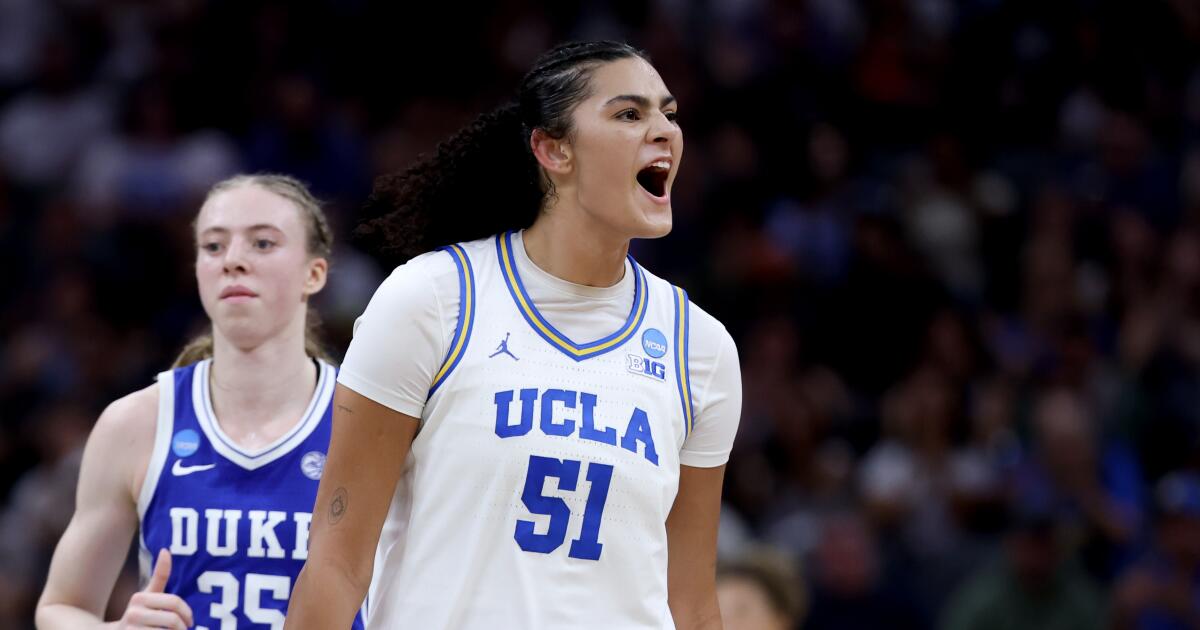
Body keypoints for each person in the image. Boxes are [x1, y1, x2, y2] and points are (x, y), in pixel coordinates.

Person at [285, 40, 742, 630]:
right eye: (629, 114)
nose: (664, 132)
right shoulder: (433, 299)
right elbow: (337, 564)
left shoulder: (699, 347)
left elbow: (693, 606)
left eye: (669, 114)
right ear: (553, 149)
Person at [36, 173, 363, 629]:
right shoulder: (136, 423)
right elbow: (59, 609)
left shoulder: (367, 421)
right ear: (196, 270)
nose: (233, 260)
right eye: (213, 246)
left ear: (315, 273)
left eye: (263, 243)